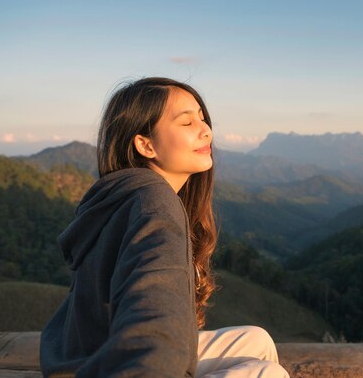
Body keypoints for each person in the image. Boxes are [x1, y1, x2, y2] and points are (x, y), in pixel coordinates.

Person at [40, 77, 290, 378]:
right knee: (267, 373)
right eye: (187, 123)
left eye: (202, 117)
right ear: (145, 145)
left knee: (256, 341)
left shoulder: (128, 194)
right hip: (113, 367)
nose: (206, 129)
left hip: (88, 355)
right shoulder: (155, 204)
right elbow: (155, 301)